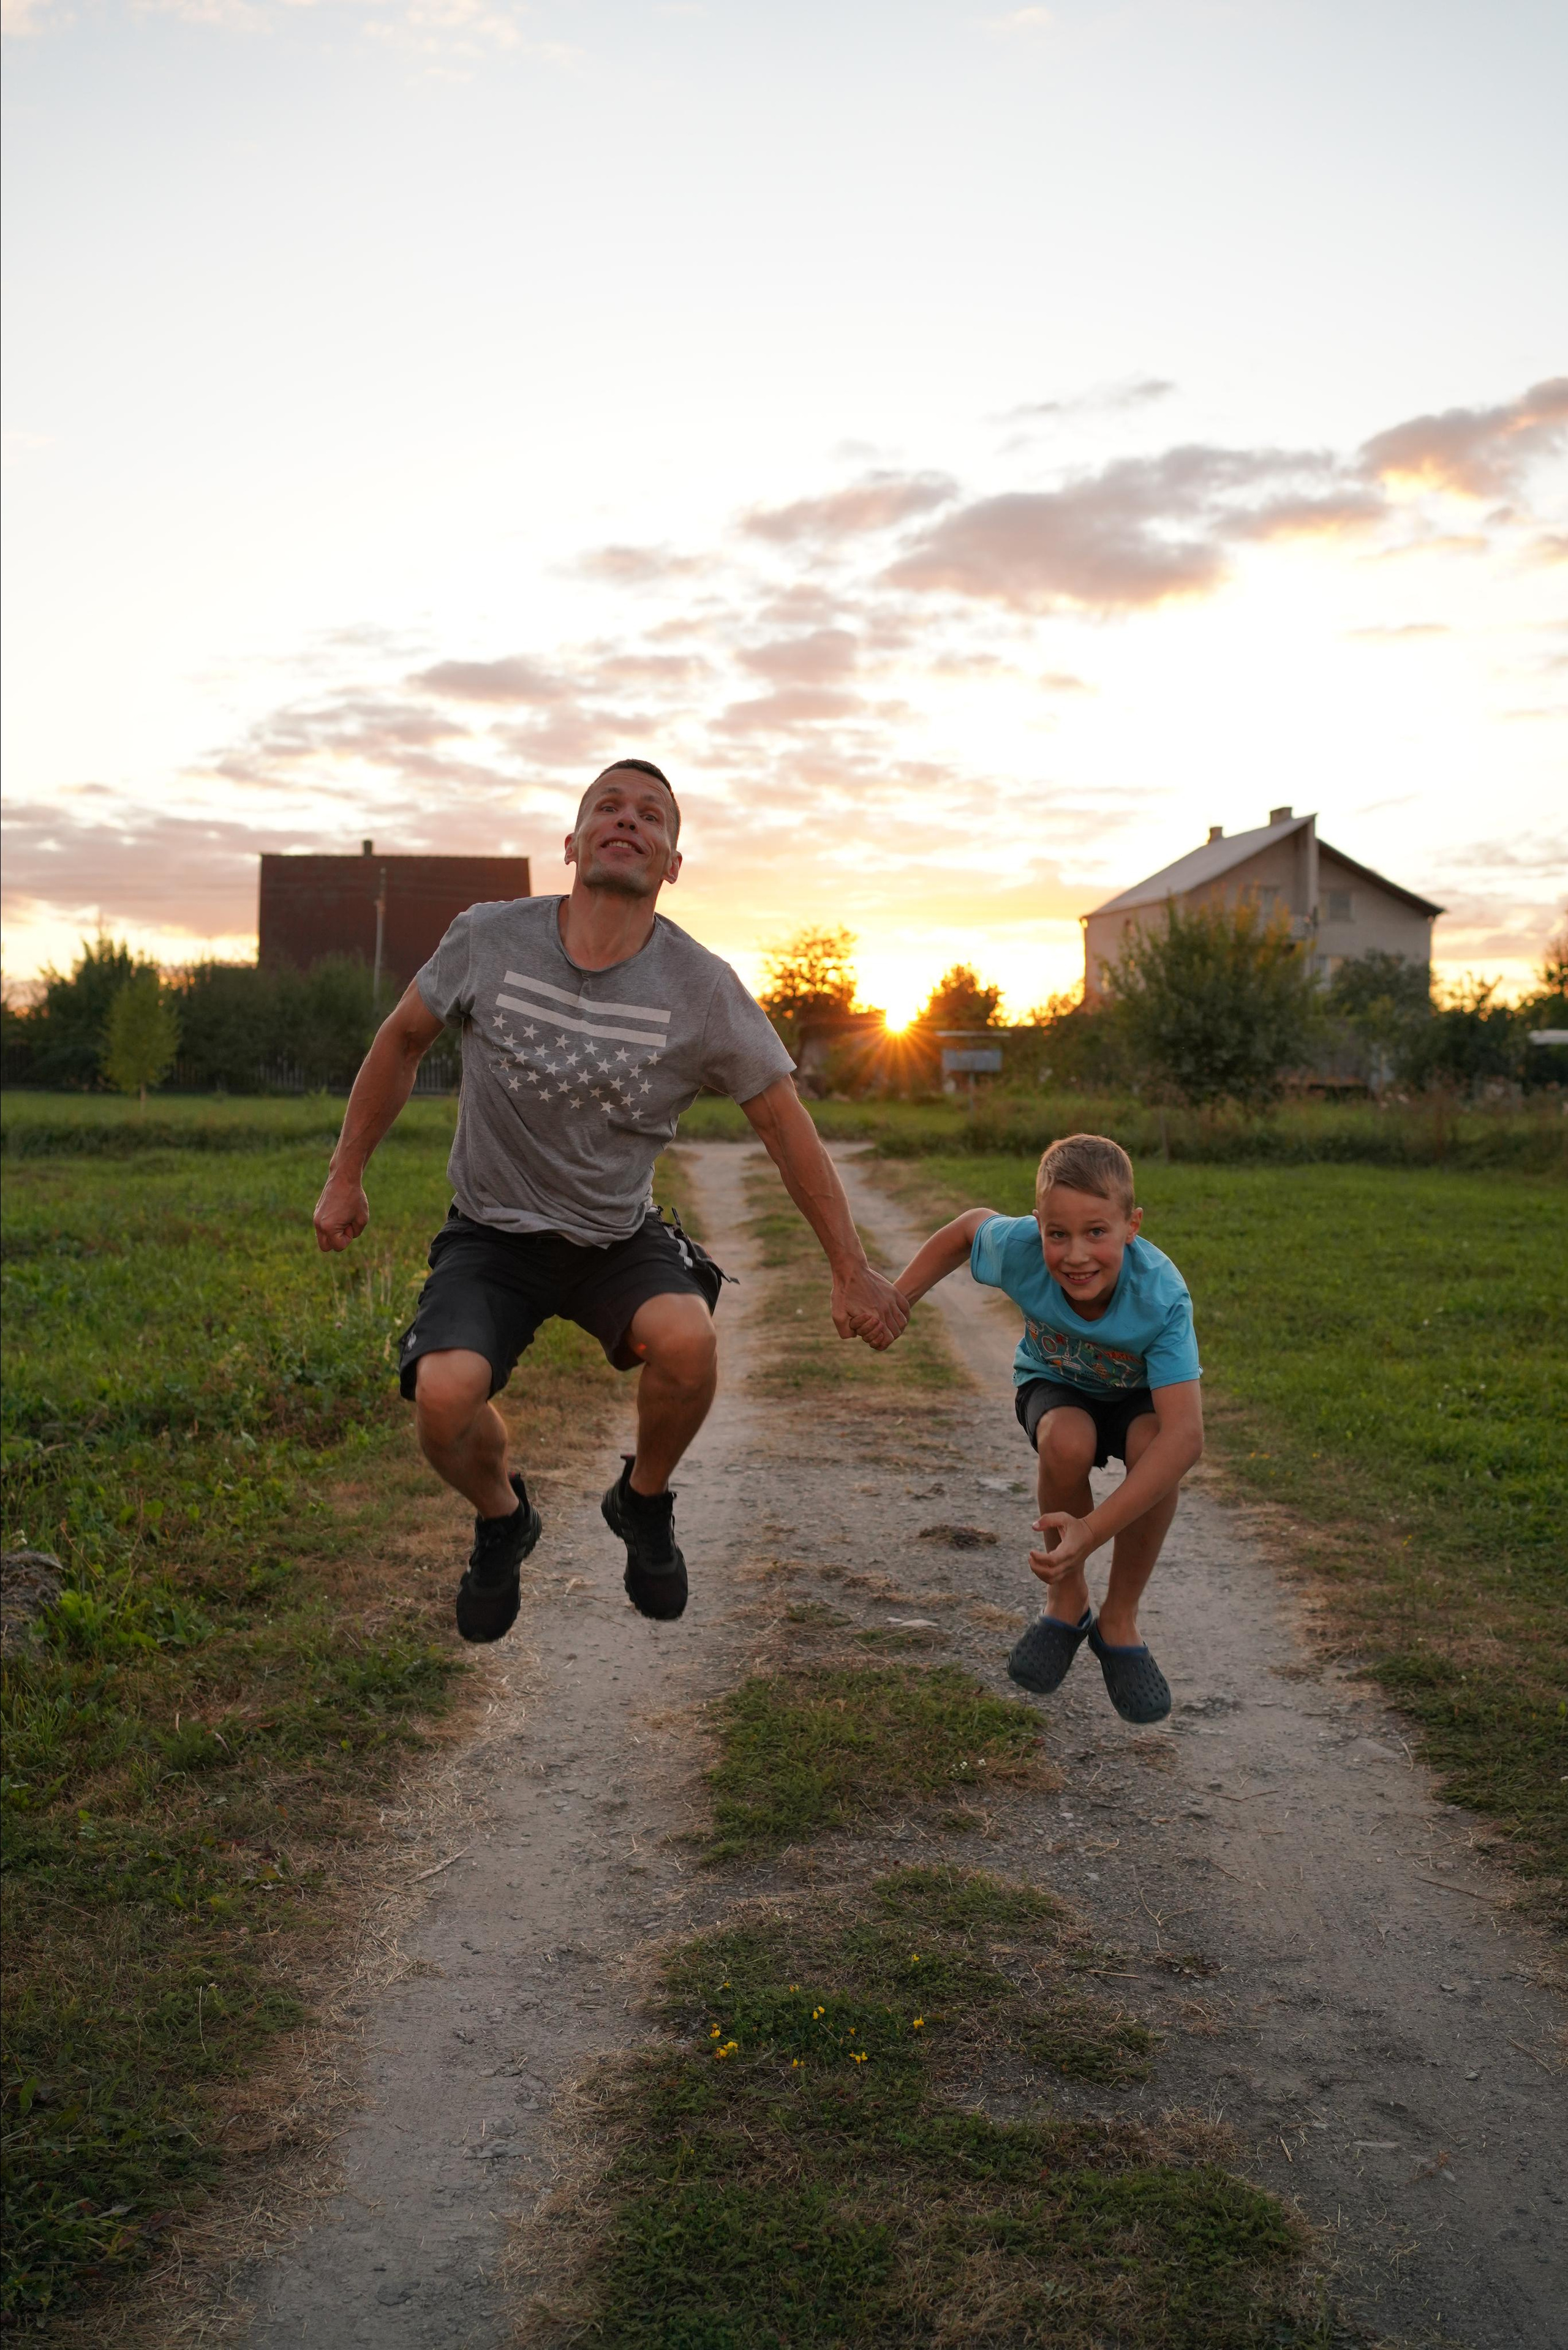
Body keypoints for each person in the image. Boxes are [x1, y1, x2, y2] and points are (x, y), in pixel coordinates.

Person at [312, 758, 907, 1641]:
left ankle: (644, 1502)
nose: (629, 820)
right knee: (442, 1397)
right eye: (608, 807)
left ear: (672, 863)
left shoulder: (701, 987)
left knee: (688, 1340)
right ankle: (503, 1517)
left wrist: (850, 1268)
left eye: (654, 816)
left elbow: (784, 1124)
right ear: (573, 842)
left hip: (614, 1237)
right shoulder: (488, 937)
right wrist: (345, 1170)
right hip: (491, 1235)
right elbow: (401, 1041)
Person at [889, 1133, 1202, 1723]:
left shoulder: (1160, 1295)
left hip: (1137, 1396)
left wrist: (1091, 1528)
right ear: (1038, 1225)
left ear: (1131, 1226)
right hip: (1056, 1384)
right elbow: (966, 1228)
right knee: (1067, 1438)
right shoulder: (1020, 1248)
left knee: (1154, 1445)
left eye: (1097, 1232)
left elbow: (1186, 1437)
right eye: (1058, 1233)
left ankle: (1119, 1619)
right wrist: (899, 1300)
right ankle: (1067, 1600)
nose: (1076, 1254)